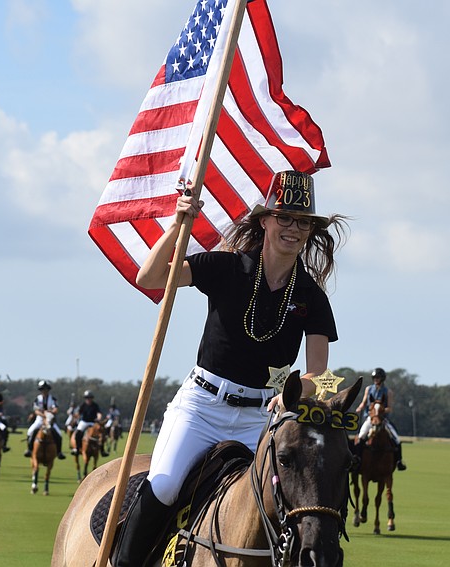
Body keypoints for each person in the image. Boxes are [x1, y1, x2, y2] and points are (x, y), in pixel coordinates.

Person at [114, 170, 348, 566]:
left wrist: (299, 391)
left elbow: (321, 376)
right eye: (284, 218)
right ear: (265, 221)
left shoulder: (312, 296)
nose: (293, 228)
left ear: (310, 230)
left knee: (293, 501)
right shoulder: (226, 267)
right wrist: (177, 225)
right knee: (166, 485)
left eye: (303, 221)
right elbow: (150, 277)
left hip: (261, 417)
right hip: (202, 407)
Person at [355, 367, 407, 471]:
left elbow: (390, 408)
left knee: (396, 439)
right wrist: (360, 407)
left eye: (377, 378)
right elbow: (364, 402)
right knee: (360, 436)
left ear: (382, 378)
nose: (376, 380)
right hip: (370, 418)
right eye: (374, 378)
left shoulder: (388, 392)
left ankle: (399, 461)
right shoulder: (368, 389)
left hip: (383, 419)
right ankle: (357, 459)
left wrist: (380, 410)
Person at [24, 380, 66, 460]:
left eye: (46, 389)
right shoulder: (37, 399)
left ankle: (59, 452)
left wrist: (49, 413)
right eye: (43, 389)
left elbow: (56, 409)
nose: (44, 391)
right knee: (30, 431)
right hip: (40, 419)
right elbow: (36, 410)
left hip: (50, 419)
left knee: (59, 434)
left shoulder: (52, 399)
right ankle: (29, 449)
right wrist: (43, 414)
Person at [67, 390, 104, 456]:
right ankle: (77, 448)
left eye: (89, 398)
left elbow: (99, 413)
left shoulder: (95, 405)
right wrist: (72, 414)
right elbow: (78, 414)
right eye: (87, 398)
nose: (88, 399)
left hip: (93, 423)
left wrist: (99, 418)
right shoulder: (83, 405)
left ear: (92, 398)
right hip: (84, 422)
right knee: (78, 433)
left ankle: (102, 450)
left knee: (100, 433)